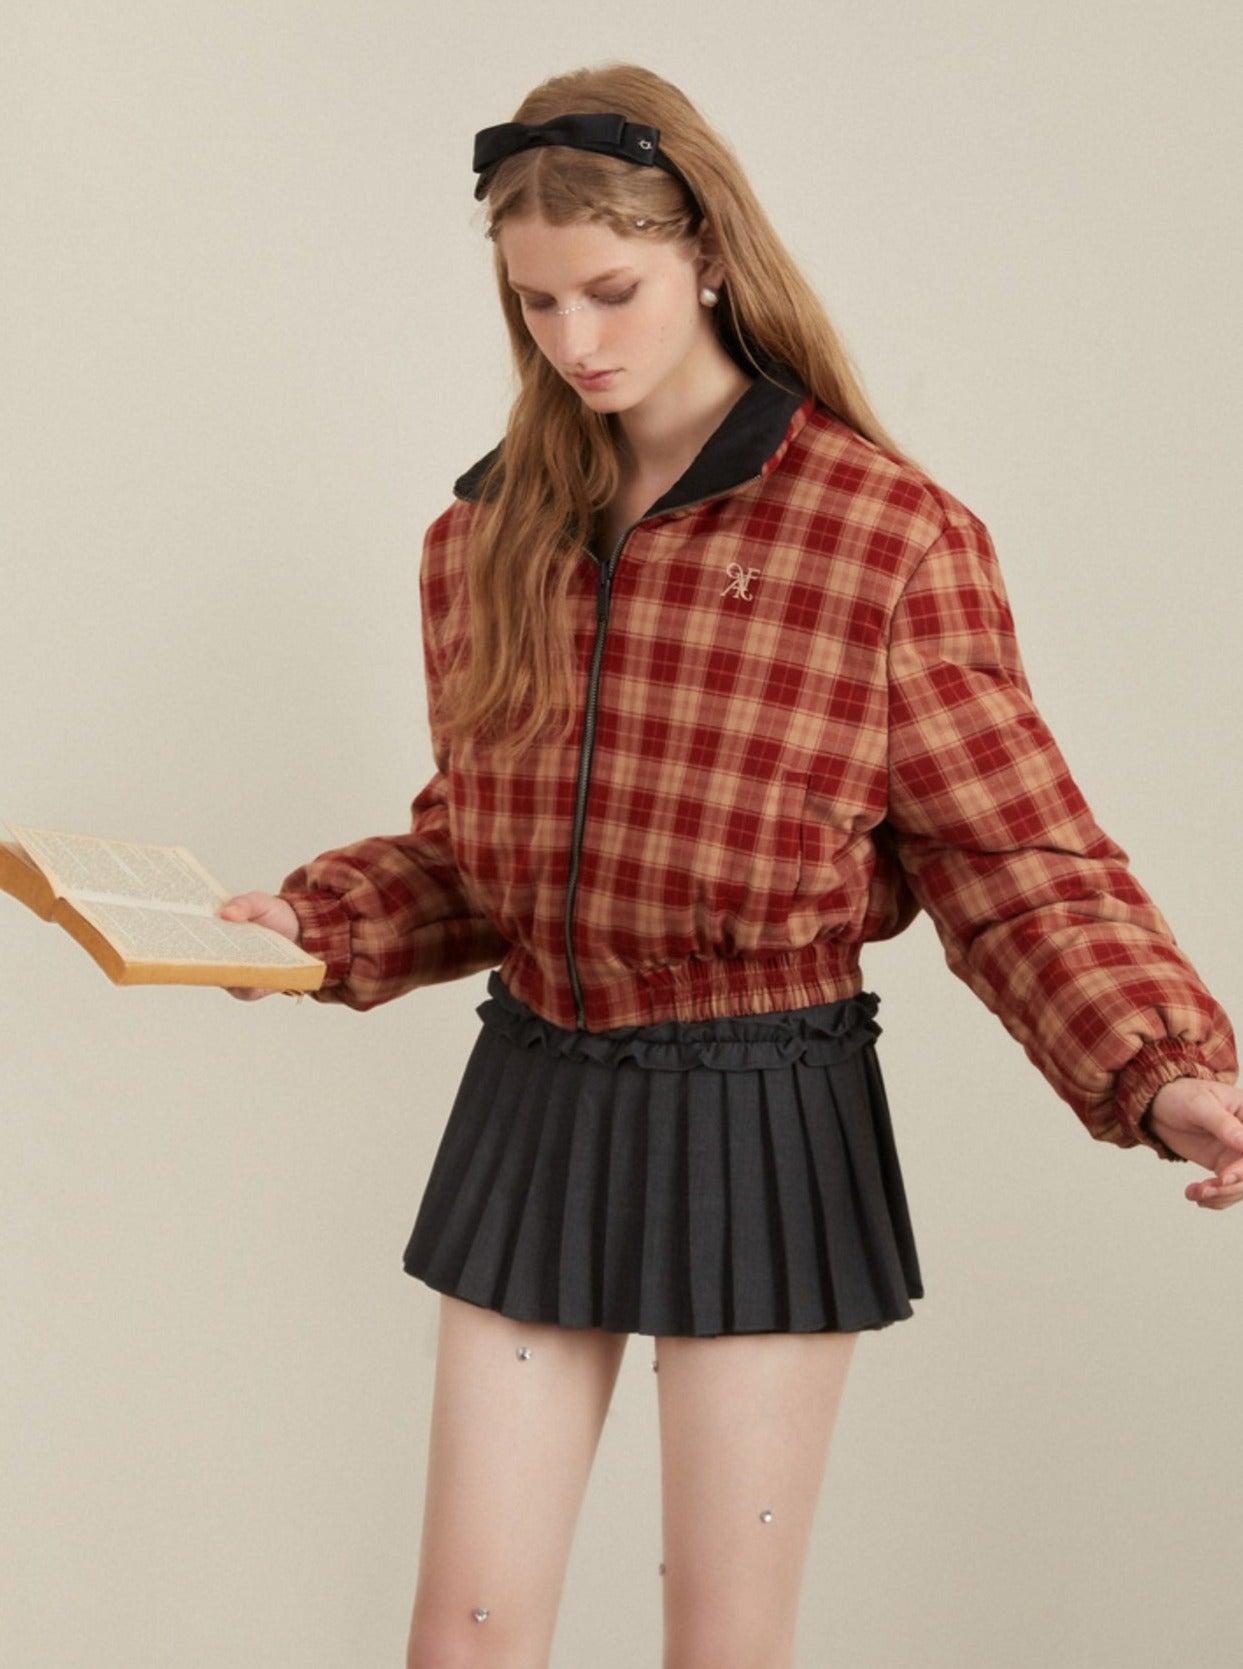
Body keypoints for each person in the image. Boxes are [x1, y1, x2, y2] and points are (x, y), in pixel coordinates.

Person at [221, 62, 1241, 1669]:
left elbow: (1015, 854)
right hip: (537, 1088)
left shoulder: (882, 535)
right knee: (461, 1636)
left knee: (723, 1644)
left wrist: (1163, 1066)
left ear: (705, 251)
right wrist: (315, 922)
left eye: (609, 291)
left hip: (762, 1103)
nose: (575, 340)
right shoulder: (484, 539)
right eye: (537, 303)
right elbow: (484, 852)